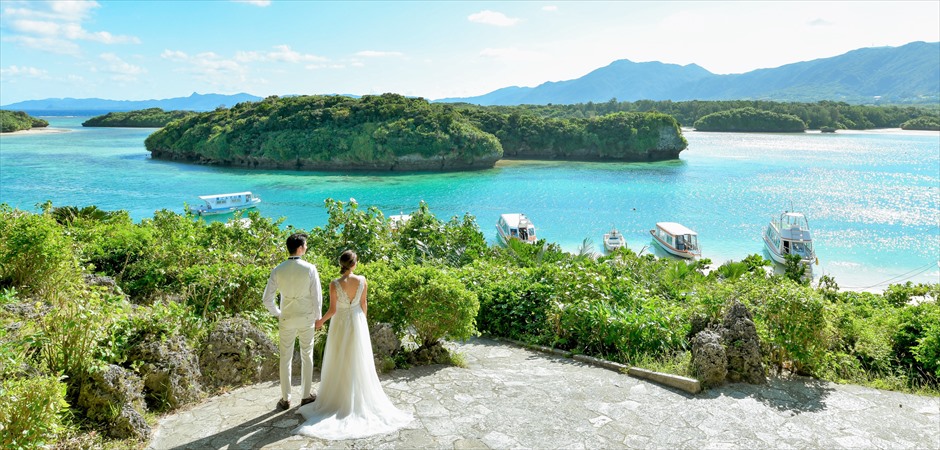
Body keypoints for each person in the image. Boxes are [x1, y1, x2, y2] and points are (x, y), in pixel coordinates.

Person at [295, 250, 413, 440]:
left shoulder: (335, 283)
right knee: (358, 358)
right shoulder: (362, 280)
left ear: (341, 264)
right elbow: (363, 303)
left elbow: (333, 309)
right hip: (358, 322)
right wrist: (362, 321)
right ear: (354, 264)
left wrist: (321, 321)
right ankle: (356, 397)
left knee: (339, 358)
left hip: (340, 323)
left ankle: (339, 399)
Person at [262, 232, 322, 411]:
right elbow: (317, 297)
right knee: (307, 355)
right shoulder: (310, 268)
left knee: (285, 358)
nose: (307, 247)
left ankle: (285, 398)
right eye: (306, 244)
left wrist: (278, 313)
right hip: (306, 317)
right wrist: (318, 317)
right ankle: (305, 396)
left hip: (287, 317)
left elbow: (267, 299)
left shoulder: (278, 269)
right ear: (301, 247)